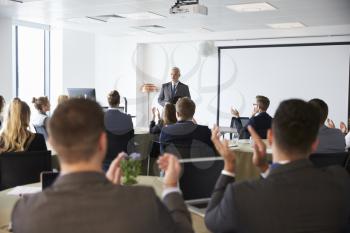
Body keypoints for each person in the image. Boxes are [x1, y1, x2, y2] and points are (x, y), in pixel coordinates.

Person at [11, 98, 194, 233]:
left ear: (53, 143)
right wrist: (171, 188)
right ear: (102, 143)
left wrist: (110, 189)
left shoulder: (25, 212)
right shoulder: (143, 202)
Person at [205, 99, 350, 233]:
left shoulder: (240, 195)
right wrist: (265, 169)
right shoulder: (341, 181)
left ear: (270, 138)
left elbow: (211, 221)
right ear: (314, 144)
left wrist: (229, 167)